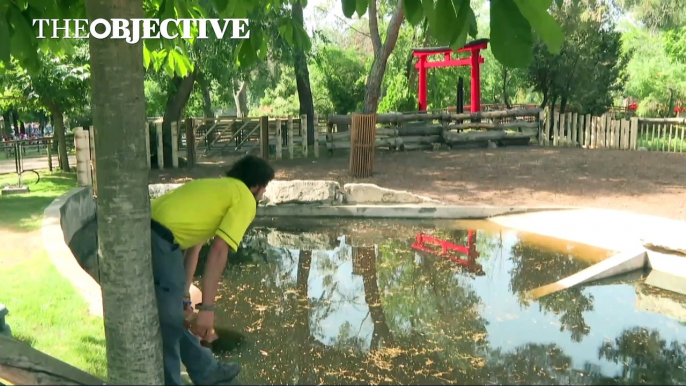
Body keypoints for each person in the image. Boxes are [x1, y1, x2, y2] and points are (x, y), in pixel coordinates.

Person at [149, 155, 275, 385]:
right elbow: (218, 251)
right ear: (255, 185)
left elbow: (194, 249)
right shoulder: (245, 198)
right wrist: (207, 308)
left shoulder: (217, 188)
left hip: (149, 231)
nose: (263, 193)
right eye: (264, 187)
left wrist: (185, 294)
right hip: (161, 241)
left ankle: (207, 370)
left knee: (172, 317)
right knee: (168, 322)